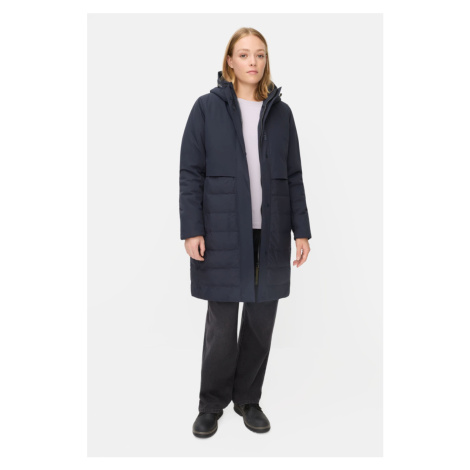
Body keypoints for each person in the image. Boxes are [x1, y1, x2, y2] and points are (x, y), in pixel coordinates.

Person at [179, 27, 312, 438]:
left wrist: (302, 231)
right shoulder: (206, 108)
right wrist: (192, 229)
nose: (252, 61)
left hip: (270, 231)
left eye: (259, 54)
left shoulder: (281, 113)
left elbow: (293, 175)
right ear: (230, 61)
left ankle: (248, 399)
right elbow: (190, 173)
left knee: (261, 319)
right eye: (243, 54)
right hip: (221, 231)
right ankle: (211, 404)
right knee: (221, 323)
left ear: (265, 60)